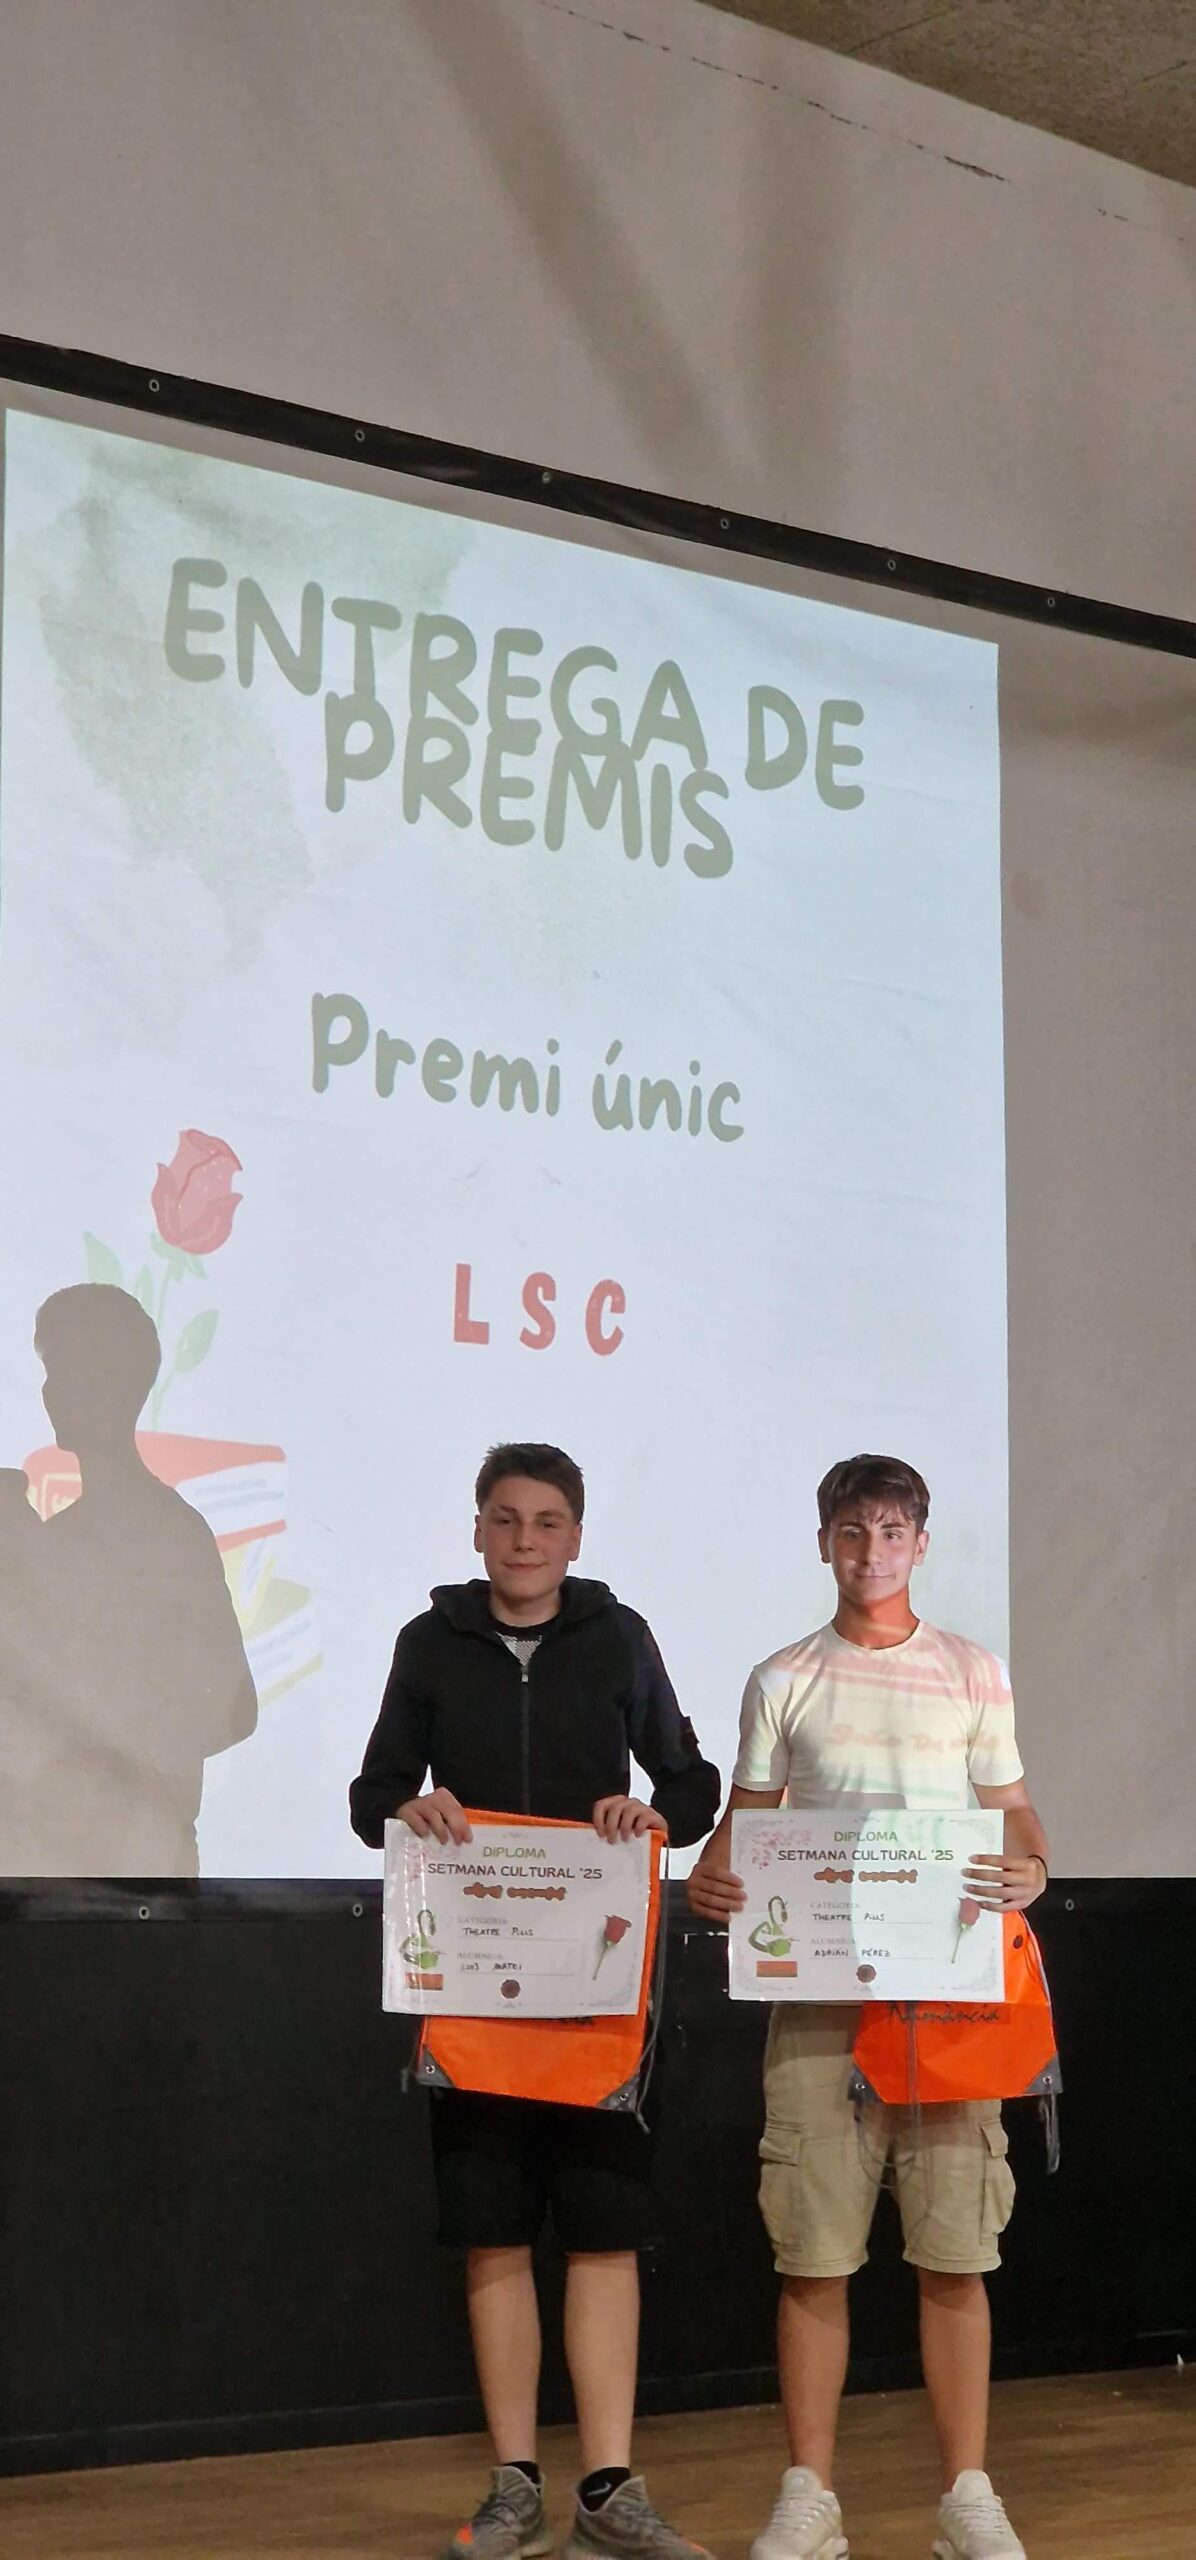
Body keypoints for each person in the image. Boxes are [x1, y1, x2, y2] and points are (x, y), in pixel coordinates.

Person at [351, 1441, 721, 2560]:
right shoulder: (427, 1642)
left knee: (604, 2235)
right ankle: (514, 2487)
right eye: (505, 1519)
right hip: (472, 1992)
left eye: (546, 1521)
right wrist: (407, 1810)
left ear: (575, 1536)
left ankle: (607, 2491)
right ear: (477, 1530)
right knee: (493, 2233)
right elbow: (372, 1792)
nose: (524, 1540)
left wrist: (652, 1813)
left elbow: (691, 1781)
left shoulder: (620, 1637)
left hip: (597, 1990)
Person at [687, 1455, 1048, 2560]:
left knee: (956, 2253)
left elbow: (1014, 1813)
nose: (871, 1552)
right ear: (823, 1543)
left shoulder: (973, 1671)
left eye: (892, 1532)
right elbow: (744, 1823)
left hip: (948, 2000)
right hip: (819, 2003)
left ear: (920, 1545)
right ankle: (810, 2497)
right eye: (851, 1531)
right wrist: (712, 1874)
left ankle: (966, 2497)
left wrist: (1031, 1867)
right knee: (812, 2254)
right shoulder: (782, 1677)